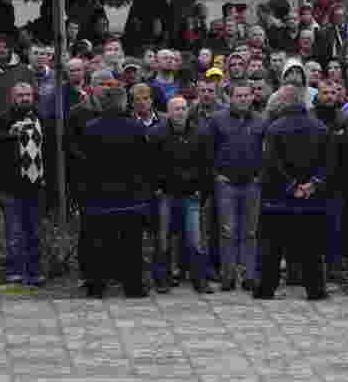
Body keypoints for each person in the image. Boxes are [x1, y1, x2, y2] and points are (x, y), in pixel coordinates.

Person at [254, 85, 333, 301]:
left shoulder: (274, 128)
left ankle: (266, 288)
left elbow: (271, 162)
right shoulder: (320, 128)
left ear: (284, 102)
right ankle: (315, 289)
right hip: (311, 199)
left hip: (279, 199)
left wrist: (291, 186)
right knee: (312, 247)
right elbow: (329, 163)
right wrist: (312, 184)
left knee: (272, 247)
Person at [76, 86, 154, 298]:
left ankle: (96, 287)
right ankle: (133, 287)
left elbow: (83, 163)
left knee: (97, 244)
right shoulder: (136, 128)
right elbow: (145, 163)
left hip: (98, 197)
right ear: (123, 103)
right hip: (130, 197)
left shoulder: (90, 128)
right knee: (131, 244)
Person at [204, 80, 267, 292]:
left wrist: (260, 175)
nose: (243, 99)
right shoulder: (216, 120)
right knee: (227, 231)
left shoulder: (261, 121)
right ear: (230, 97)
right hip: (226, 184)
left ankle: (249, 275)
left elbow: (267, 153)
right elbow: (206, 151)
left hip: (252, 184)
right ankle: (228, 275)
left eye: (246, 95)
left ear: (252, 97)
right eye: (238, 95)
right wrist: (215, 175)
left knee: (251, 232)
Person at [148, 96, 214, 294]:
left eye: (184, 108)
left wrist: (202, 190)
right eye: (176, 108)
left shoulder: (200, 133)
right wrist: (156, 188)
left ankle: (199, 280)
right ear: (168, 112)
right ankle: (162, 279)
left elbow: (206, 165)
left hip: (191, 194)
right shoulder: (156, 133)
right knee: (163, 238)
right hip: (165, 194)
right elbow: (149, 166)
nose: (180, 112)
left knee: (195, 239)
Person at [0, 82, 45, 285]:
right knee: (14, 232)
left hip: (34, 183)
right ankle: (15, 272)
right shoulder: (4, 118)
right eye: (20, 95)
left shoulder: (39, 116)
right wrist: (9, 135)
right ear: (13, 97)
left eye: (28, 94)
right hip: (10, 184)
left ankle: (34, 272)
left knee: (33, 231)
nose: (25, 98)